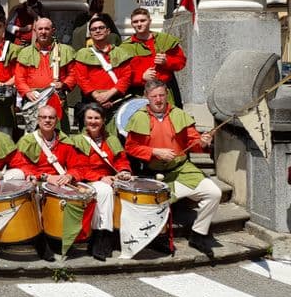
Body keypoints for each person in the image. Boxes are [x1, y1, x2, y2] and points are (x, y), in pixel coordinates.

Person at [124, 80, 221, 258]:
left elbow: (193, 143)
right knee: (154, 204)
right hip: (154, 173)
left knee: (214, 193)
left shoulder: (179, 114)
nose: (159, 100)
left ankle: (198, 234)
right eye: (154, 96)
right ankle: (158, 239)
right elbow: (131, 147)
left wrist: (203, 142)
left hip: (181, 170)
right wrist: (155, 152)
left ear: (167, 94)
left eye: (162, 95)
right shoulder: (139, 117)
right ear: (147, 97)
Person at [67, 103, 132, 261]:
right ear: (84, 120)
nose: (93, 121)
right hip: (85, 180)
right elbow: (78, 168)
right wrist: (100, 178)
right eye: (89, 118)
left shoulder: (111, 139)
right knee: (104, 191)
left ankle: (124, 235)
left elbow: (120, 161)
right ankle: (100, 239)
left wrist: (124, 172)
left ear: (103, 120)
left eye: (97, 118)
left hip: (109, 179)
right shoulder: (76, 140)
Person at [16, 104, 76, 261]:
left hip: (60, 182)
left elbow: (77, 166)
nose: (47, 120)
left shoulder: (65, 141)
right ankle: (41, 243)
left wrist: (70, 175)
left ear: (56, 120)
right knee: (34, 195)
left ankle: (59, 237)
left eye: (51, 117)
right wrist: (43, 176)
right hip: (38, 180)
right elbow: (20, 165)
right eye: (44, 117)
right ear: (38, 120)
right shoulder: (27, 141)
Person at [15, 17, 76, 125]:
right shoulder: (25, 52)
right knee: (34, 136)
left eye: (47, 29)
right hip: (33, 99)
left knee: (58, 134)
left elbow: (73, 74)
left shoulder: (65, 51)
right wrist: (27, 92)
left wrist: (63, 84)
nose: (43, 32)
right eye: (40, 29)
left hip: (56, 99)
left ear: (53, 30)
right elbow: (19, 78)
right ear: (35, 31)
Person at [120, 7, 187, 104]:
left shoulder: (165, 39)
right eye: (135, 22)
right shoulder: (124, 47)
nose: (139, 24)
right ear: (132, 24)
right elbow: (121, 74)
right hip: (139, 94)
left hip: (165, 93)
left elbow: (181, 62)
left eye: (143, 20)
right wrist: (141, 77)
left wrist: (166, 61)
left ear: (149, 21)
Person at [73, 15, 133, 121]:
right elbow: (82, 78)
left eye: (101, 28)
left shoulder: (121, 53)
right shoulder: (83, 54)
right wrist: (97, 96)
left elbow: (126, 76)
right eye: (93, 29)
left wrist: (109, 94)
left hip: (116, 101)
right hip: (91, 102)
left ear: (108, 31)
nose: (97, 31)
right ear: (90, 34)